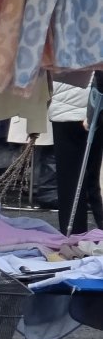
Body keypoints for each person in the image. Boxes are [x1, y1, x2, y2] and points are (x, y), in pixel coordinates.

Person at [49, 79, 103, 235]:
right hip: (95, 100)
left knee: (70, 181)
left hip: (65, 107)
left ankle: (73, 236)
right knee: (95, 179)